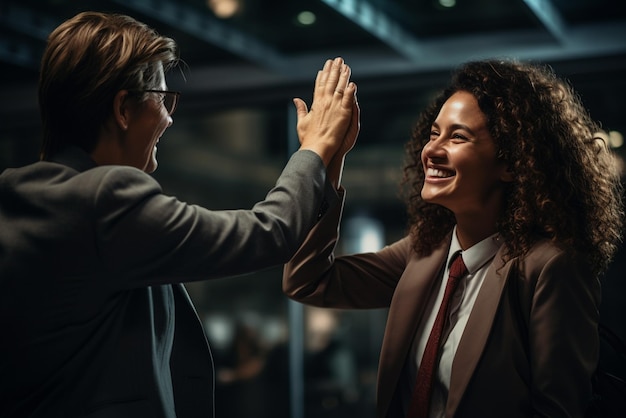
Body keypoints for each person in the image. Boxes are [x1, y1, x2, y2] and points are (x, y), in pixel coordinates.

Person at [0, 11, 359, 418]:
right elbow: (268, 232)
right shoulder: (104, 200)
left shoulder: (22, 196)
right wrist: (315, 149)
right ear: (122, 108)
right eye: (163, 99)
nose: (170, 118)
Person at [283, 59, 624, 418]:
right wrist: (327, 157)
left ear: (512, 163)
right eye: (434, 133)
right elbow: (308, 281)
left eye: (458, 136)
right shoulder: (425, 251)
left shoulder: (550, 267)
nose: (431, 150)